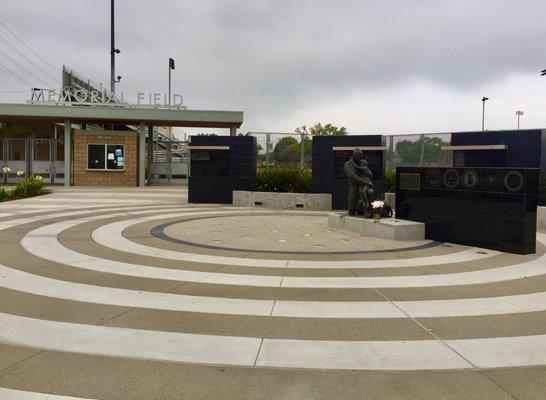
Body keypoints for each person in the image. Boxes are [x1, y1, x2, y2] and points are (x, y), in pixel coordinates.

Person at [343, 149, 375, 216]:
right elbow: (352, 177)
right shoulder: (347, 165)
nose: (360, 158)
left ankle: (367, 210)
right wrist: (364, 182)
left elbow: (370, 175)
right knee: (351, 212)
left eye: (361, 156)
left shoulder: (363, 163)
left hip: (364, 185)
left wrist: (366, 171)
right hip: (354, 185)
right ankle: (356, 208)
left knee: (370, 191)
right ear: (354, 155)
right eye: (358, 156)